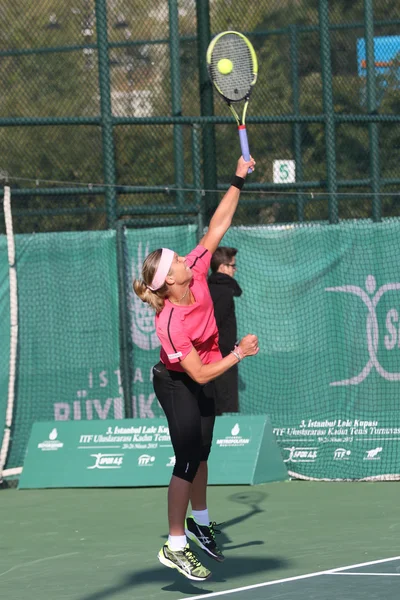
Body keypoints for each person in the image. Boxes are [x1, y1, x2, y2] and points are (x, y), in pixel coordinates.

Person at [133, 155, 259, 582]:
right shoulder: (170, 320)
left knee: (203, 452)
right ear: (170, 280)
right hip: (177, 383)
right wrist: (238, 353)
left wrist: (238, 176)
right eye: (177, 262)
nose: (186, 259)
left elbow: (217, 225)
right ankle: (174, 546)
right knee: (187, 458)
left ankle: (199, 521)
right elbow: (201, 375)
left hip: (202, 370)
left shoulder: (197, 271)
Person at [208, 246, 242, 414]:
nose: (235, 270)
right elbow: (213, 323)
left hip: (211, 357)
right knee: (225, 407)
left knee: (213, 406)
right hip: (221, 357)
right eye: (232, 266)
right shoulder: (223, 292)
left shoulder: (208, 288)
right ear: (222, 268)